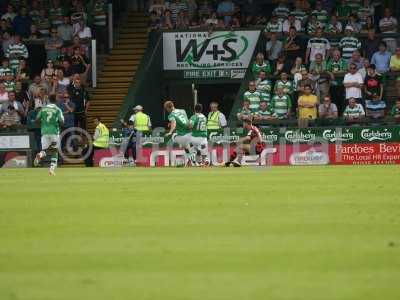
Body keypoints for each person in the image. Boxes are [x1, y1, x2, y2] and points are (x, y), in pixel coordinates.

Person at [33, 94, 64, 175]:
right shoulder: (58, 109)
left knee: (45, 150)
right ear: (56, 100)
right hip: (54, 132)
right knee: (55, 151)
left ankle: (40, 155)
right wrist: (57, 124)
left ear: (49, 100)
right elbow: (62, 121)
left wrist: (42, 125)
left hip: (44, 132)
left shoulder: (43, 109)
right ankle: (51, 169)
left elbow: (36, 119)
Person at [164, 100, 196, 166]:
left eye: (166, 108)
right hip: (190, 134)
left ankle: (188, 158)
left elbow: (174, 123)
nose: (166, 110)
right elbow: (186, 121)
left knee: (174, 137)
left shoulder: (171, 115)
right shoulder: (183, 110)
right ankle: (192, 161)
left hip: (182, 136)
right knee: (187, 147)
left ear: (168, 108)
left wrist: (170, 132)